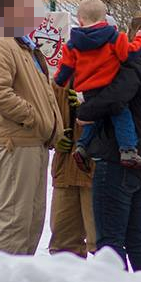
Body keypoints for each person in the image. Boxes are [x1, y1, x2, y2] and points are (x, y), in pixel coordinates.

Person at [76, 12, 141, 270]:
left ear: (133, 36)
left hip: (118, 163)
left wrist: (84, 113)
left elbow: (114, 98)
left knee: (110, 242)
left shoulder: (137, 68)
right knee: (135, 238)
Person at [0, 0, 63, 255]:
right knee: (15, 220)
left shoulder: (24, 46)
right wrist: (32, 117)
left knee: (32, 221)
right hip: (16, 142)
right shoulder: (1, 44)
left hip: (33, 142)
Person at [55, 0, 141, 170]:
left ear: (80, 20)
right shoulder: (114, 37)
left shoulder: (71, 45)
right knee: (122, 115)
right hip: (109, 88)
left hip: (87, 92)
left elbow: (63, 73)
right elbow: (129, 54)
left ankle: (82, 147)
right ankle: (128, 150)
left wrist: (58, 80)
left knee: (95, 118)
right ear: (105, 19)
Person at [48, 93, 96, 257]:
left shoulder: (115, 73)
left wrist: (93, 105)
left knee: (103, 244)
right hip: (65, 169)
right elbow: (45, 111)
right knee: (63, 244)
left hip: (99, 170)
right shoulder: (61, 79)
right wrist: (54, 136)